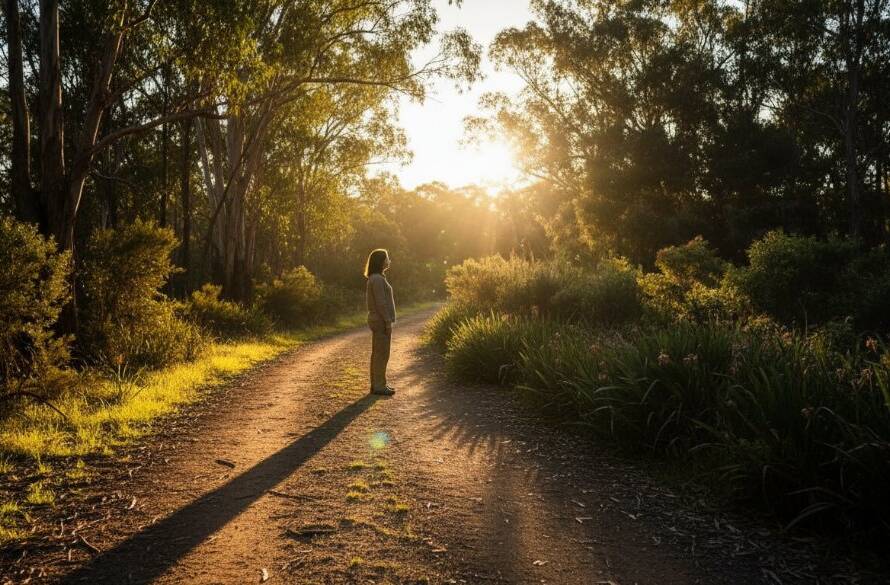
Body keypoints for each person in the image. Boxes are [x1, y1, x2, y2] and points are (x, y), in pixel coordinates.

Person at [365, 248, 397, 396]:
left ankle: (378, 384)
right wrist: (388, 321)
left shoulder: (377, 278)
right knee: (382, 354)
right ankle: (379, 386)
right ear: (381, 261)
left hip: (378, 320)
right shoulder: (377, 279)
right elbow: (381, 303)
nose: (389, 260)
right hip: (380, 320)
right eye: (387, 258)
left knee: (379, 353)